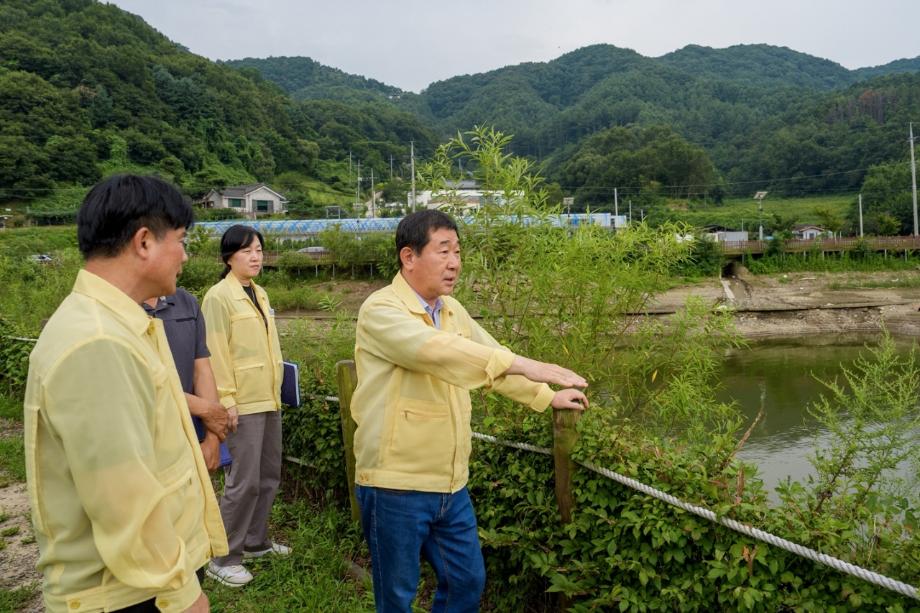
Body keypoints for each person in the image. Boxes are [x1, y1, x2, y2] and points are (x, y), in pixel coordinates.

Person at [352, 209, 589, 612]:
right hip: (396, 481)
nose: (455, 262)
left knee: (467, 579)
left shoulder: (450, 310)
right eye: (443, 251)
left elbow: (488, 363)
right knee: (396, 594)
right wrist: (525, 362)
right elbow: (439, 351)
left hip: (450, 481)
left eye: (458, 251)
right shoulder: (381, 310)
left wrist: (546, 396)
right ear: (408, 257)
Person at [23, 174, 228, 613]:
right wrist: (182, 594)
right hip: (130, 593)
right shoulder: (98, 343)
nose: (186, 255)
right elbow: (124, 499)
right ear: (143, 242)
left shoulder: (115, 325)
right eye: (181, 240)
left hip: (141, 582)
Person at [201, 225, 289, 588]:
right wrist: (226, 401)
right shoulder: (218, 297)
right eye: (247, 251)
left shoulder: (260, 293)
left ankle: (255, 542)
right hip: (242, 402)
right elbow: (214, 352)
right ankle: (223, 557)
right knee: (243, 481)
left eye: (259, 250)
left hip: (268, 397)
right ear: (228, 257)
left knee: (268, 475)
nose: (256, 256)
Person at [143, 289, 237, 472]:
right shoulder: (116, 310)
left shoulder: (186, 302)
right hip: (143, 440)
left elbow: (202, 370)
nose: (183, 258)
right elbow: (136, 383)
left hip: (187, 434)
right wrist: (203, 408)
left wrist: (212, 437)